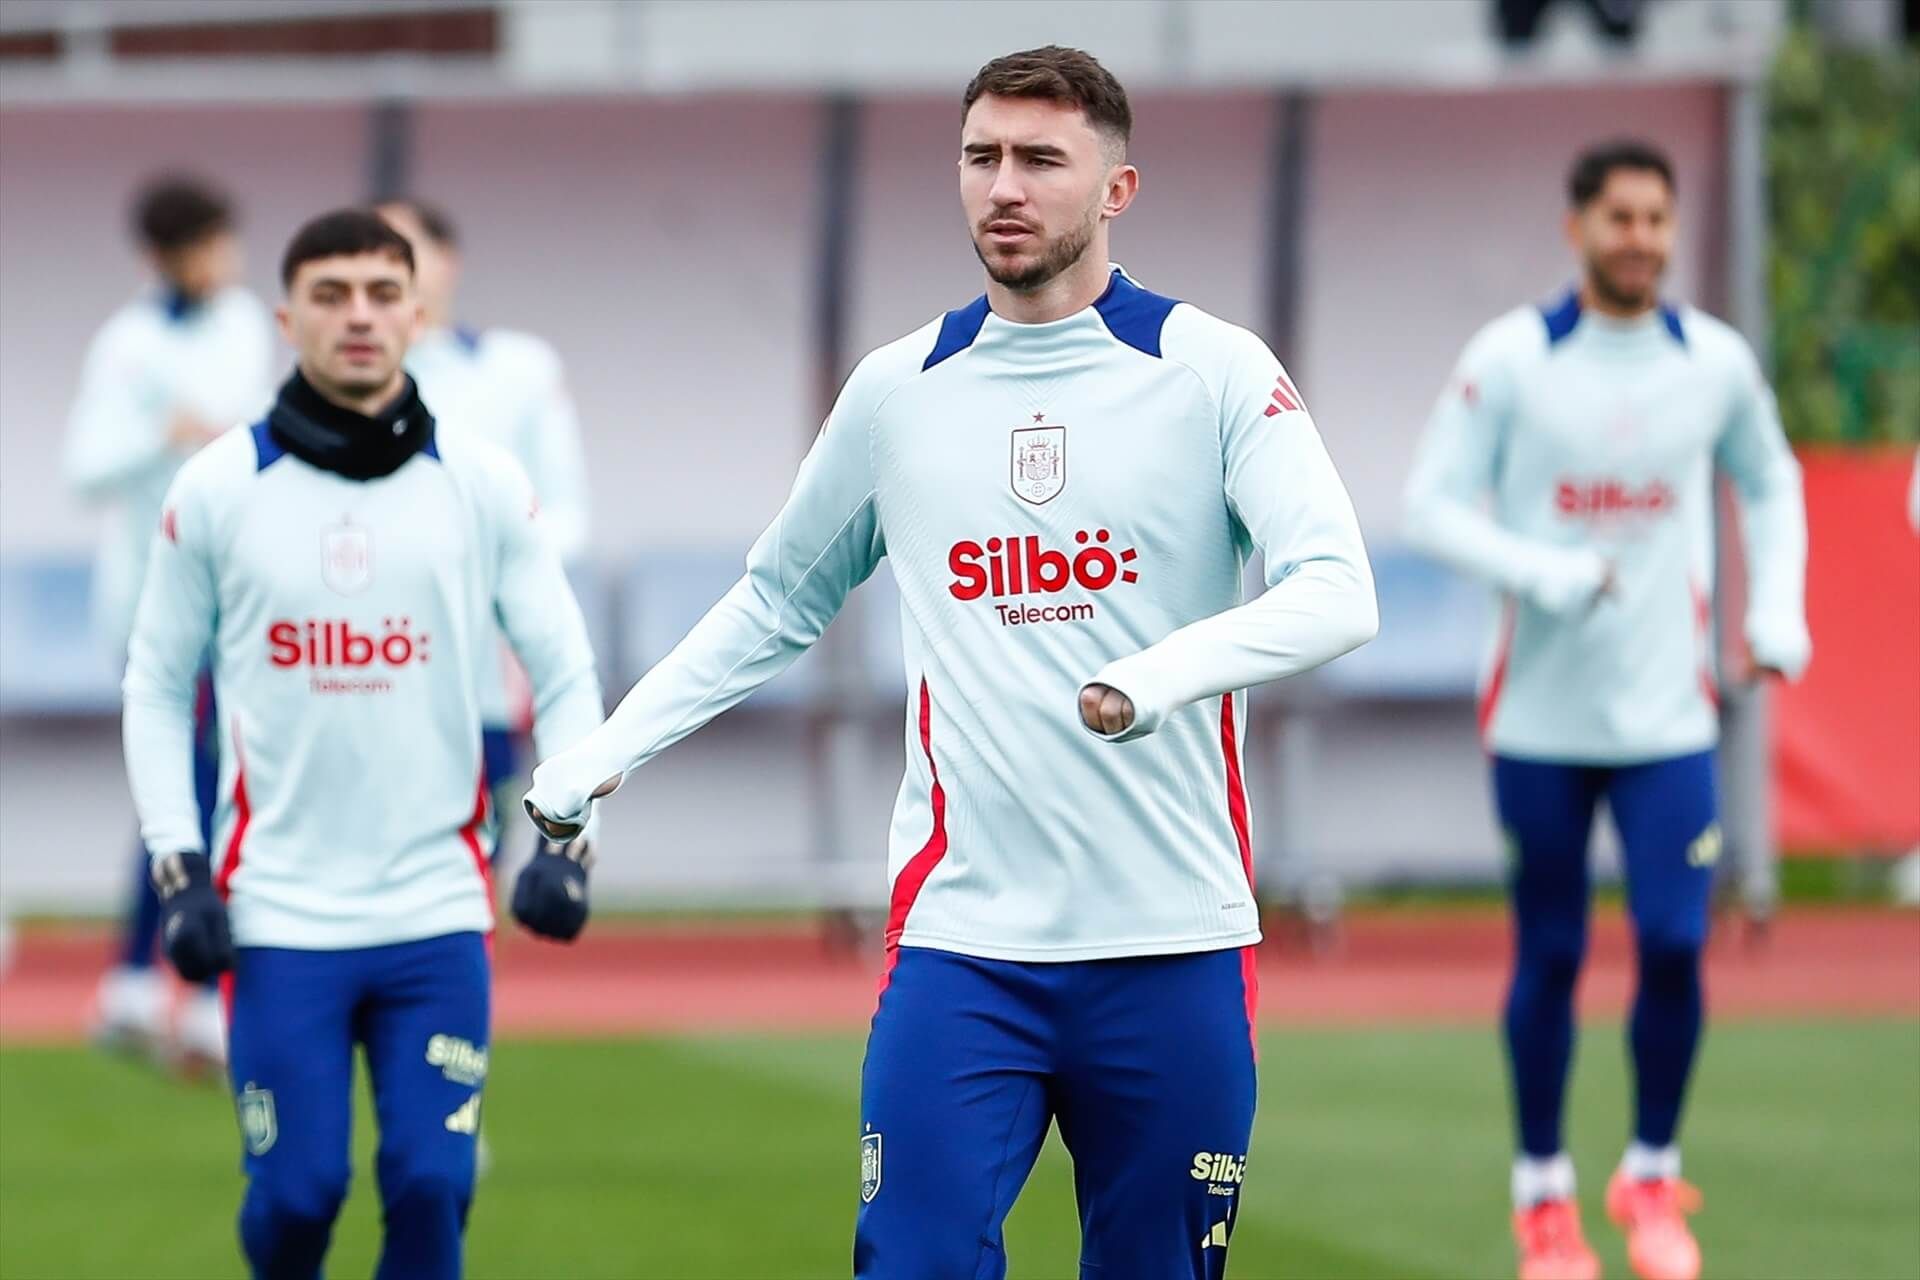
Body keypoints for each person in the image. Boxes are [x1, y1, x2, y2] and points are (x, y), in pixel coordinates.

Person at [525, 45, 1377, 1279]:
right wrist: (606, 749)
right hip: (964, 943)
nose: (1004, 187)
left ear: (1118, 189)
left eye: (1041, 159)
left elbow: (1337, 591)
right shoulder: (898, 391)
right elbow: (775, 597)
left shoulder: (1213, 372)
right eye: (982, 158)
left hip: (1174, 939)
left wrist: (1158, 677)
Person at [121, 209, 604, 1280]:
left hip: (435, 907)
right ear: (288, 317)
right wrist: (178, 869)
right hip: (277, 911)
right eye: (331, 294)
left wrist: (566, 839)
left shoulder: (480, 483)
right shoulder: (215, 487)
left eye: (383, 294)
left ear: (418, 314)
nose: (359, 315)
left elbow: (568, 675)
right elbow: (156, 687)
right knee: (299, 1197)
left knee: (434, 1186)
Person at [1403, 140, 1810, 1280]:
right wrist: (1541, 569)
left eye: (1657, 219)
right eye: (1620, 218)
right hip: (1537, 720)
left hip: (1668, 720)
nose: (1641, 238)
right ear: (1578, 226)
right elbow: (1428, 506)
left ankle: (1649, 1170)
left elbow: (1771, 481)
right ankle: (1544, 1194)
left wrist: (1776, 608)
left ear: (1674, 232)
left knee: (1679, 940)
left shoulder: (1714, 364)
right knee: (1552, 951)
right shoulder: (1515, 360)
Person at [65, 174, 273, 1068]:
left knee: (216, 783)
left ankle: (151, 984)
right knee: (188, 783)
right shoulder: (127, 345)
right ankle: (168, 987)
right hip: (154, 600)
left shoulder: (244, 325)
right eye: (210, 246)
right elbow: (85, 466)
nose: (224, 261)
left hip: (239, 589)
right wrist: (165, 435)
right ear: (168, 255)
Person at [375, 198, 593, 837]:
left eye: (406, 250)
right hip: (369, 662)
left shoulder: (519, 369)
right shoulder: (342, 383)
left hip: (485, 673)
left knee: (470, 857)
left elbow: (569, 513)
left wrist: (486, 562)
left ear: (448, 261)